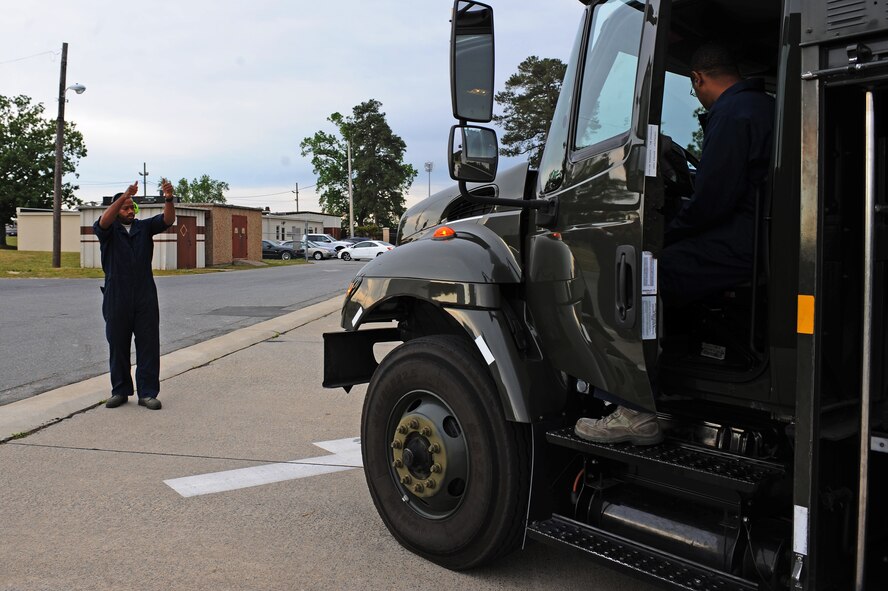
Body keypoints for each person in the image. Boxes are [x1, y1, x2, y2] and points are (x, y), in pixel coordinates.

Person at [575, 43, 775, 445]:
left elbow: (712, 201)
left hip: (742, 245)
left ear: (698, 79)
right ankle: (675, 386)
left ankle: (634, 410)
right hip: (763, 237)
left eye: (693, 88)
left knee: (636, 276)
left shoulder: (733, 115)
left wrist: (664, 234)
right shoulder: (763, 107)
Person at [95, 180, 176, 410]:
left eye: (133, 207)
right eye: (125, 207)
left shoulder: (144, 227)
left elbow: (168, 220)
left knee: (148, 345)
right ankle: (120, 390)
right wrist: (124, 196)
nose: (130, 211)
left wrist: (168, 198)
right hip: (116, 295)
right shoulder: (107, 230)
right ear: (117, 208)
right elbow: (104, 220)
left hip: (144, 294)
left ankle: (148, 392)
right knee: (118, 345)